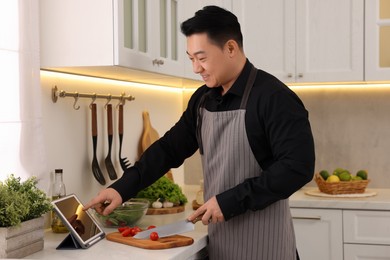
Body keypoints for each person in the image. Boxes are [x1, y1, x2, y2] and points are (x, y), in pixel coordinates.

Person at [84, 5, 315, 260]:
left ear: (230, 48)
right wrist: (121, 189)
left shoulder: (274, 98)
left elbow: (298, 167)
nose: (196, 68)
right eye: (191, 58)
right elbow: (169, 149)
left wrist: (229, 201)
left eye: (202, 58)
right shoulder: (203, 99)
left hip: (267, 246)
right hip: (220, 245)